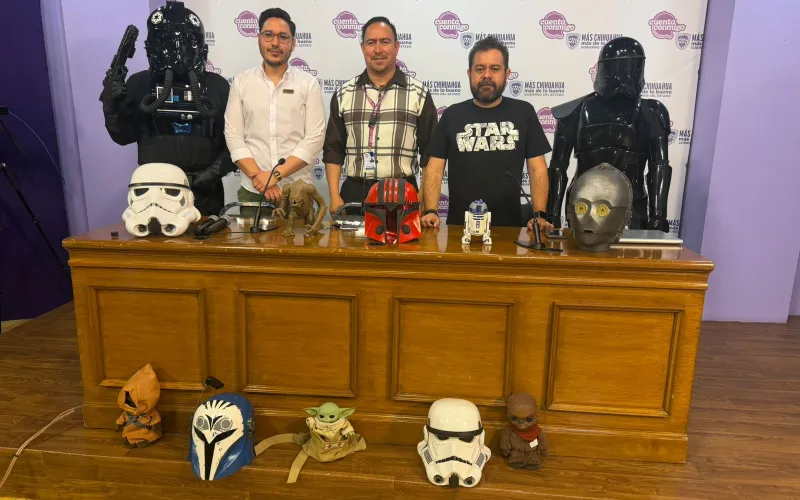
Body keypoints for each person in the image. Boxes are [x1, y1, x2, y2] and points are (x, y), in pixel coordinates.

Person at [101, 1, 235, 216]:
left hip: (203, 191)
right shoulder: (140, 84)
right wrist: (111, 108)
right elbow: (124, 136)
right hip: (153, 192)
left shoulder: (216, 86)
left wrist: (216, 170)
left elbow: (234, 140)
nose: (176, 51)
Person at [421, 36, 554, 234]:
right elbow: (434, 169)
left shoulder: (524, 112)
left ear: (507, 74)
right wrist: (431, 211)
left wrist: (540, 215)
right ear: (469, 74)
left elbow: (537, 170)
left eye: (495, 69)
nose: (486, 75)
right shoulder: (452, 115)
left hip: (509, 229)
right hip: (460, 229)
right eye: (479, 69)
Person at [322, 16, 438, 217]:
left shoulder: (418, 94)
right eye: (371, 42)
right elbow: (333, 150)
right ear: (362, 47)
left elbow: (430, 153)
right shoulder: (343, 94)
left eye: (385, 42)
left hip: (403, 194)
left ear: (396, 46)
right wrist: (334, 195)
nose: (378, 49)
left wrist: (421, 197)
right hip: (355, 194)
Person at [224, 8, 326, 219]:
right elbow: (233, 135)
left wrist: (275, 176)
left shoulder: (308, 84)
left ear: (293, 43)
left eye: (283, 37)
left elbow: (314, 138)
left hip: (298, 191)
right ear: (259, 39)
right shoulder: (242, 82)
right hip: (253, 190)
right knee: (251, 241)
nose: (275, 43)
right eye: (268, 35)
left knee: (301, 241)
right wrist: (260, 178)